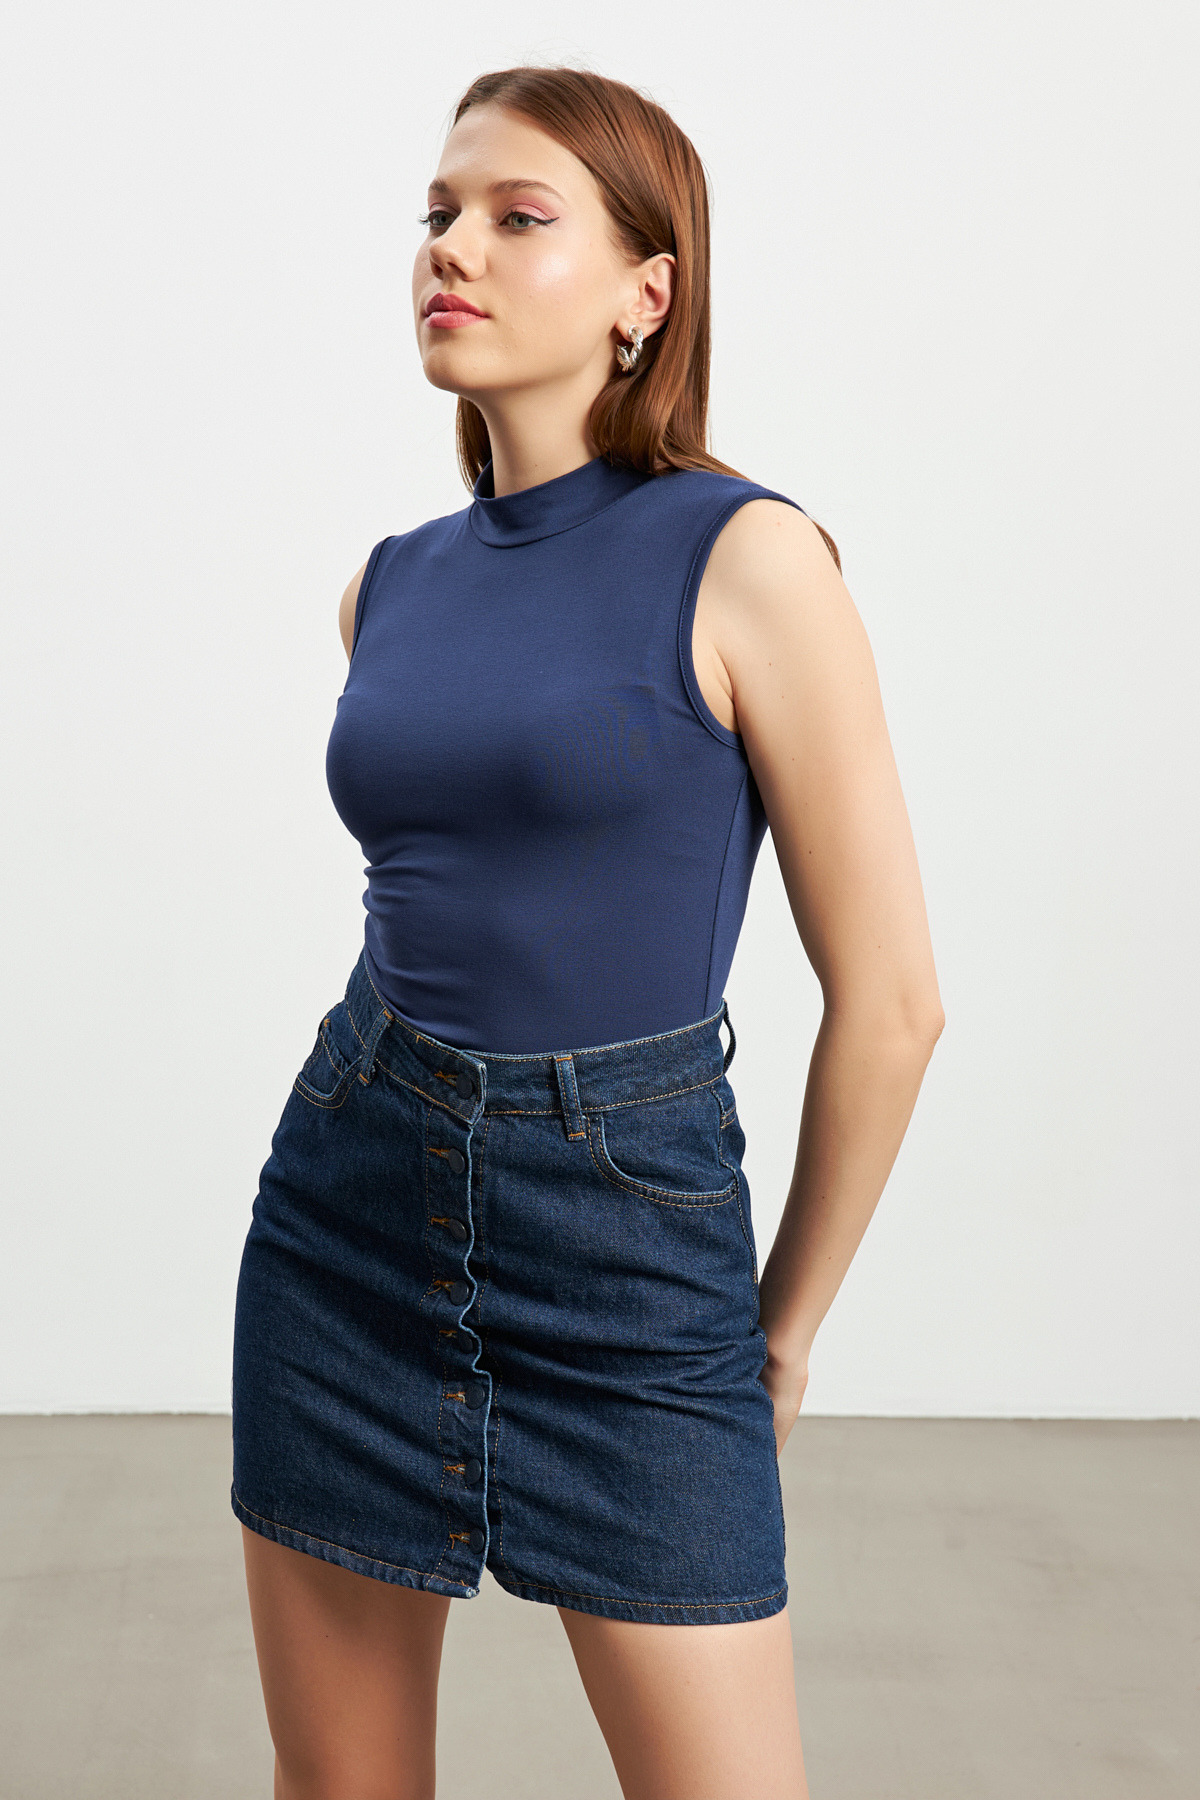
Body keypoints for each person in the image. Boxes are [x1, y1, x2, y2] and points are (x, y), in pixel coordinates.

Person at [230, 64, 945, 1800]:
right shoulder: (389, 583)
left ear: (648, 291)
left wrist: (781, 1331)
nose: (450, 248)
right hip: (346, 1218)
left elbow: (893, 1001)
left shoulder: (751, 558)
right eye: (437, 213)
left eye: (516, 216)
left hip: (627, 1241)